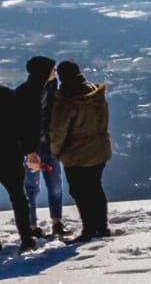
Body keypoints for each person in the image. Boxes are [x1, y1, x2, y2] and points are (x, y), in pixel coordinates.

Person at [49, 60, 111, 243]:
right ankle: (102, 226)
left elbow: (57, 131)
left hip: (77, 152)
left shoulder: (66, 100)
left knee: (79, 191)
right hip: (100, 147)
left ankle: (89, 229)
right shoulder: (95, 93)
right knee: (95, 187)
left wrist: (56, 152)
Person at [18, 56, 66, 241]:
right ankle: (32, 226)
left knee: (54, 185)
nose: (55, 73)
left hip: (49, 145)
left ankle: (56, 223)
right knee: (32, 188)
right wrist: (29, 152)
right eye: (52, 70)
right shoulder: (26, 93)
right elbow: (21, 126)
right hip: (33, 149)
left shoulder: (51, 89)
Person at [2, 84, 39, 254]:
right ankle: (26, 238)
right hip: (10, 155)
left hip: (10, 154)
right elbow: (22, 127)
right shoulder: (9, 97)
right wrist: (29, 150)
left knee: (18, 197)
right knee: (18, 197)